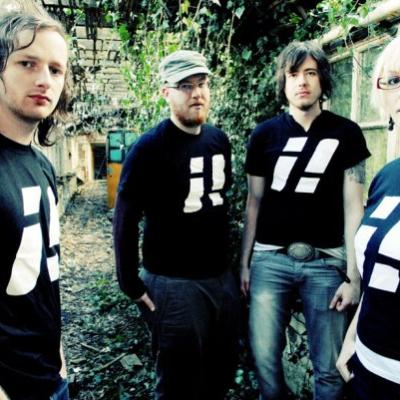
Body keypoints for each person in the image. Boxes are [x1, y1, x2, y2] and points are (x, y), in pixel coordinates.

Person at [240, 40, 371, 400]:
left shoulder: (347, 133)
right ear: (283, 82)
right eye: (294, 73)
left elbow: (353, 208)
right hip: (270, 261)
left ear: (322, 79)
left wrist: (354, 277)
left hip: (326, 263)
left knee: (329, 369)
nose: (302, 81)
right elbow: (254, 202)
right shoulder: (264, 135)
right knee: (264, 359)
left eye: (311, 72)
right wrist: (245, 264)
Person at [113, 50, 240, 400]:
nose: (197, 93)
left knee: (220, 373)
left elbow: (220, 204)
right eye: (185, 86)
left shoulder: (218, 140)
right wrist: (130, 283)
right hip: (174, 284)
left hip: (220, 280)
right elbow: (125, 218)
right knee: (179, 383)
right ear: (166, 92)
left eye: (202, 84)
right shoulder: (149, 149)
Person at [0, 3, 72, 400]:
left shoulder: (42, 166)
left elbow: (43, 276)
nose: (44, 79)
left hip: (50, 377)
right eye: (27, 63)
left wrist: (57, 351)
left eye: (55, 70)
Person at [336, 36, 400, 400]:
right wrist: (353, 336)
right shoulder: (388, 176)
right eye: (393, 79)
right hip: (366, 373)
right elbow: (382, 273)